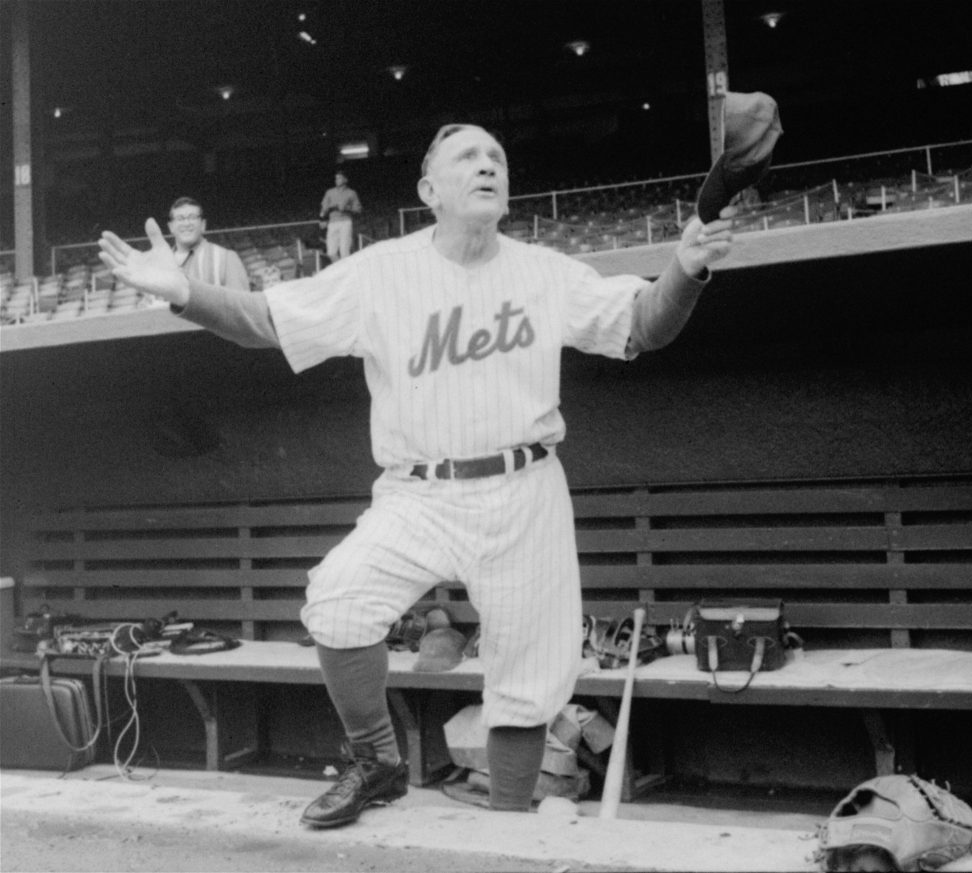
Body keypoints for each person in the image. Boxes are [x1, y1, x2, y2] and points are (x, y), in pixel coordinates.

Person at [99, 123, 736, 829]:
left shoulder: (545, 271)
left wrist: (686, 268)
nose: (488, 165)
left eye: (497, 157)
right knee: (338, 601)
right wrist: (184, 292)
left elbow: (642, 325)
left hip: (524, 486)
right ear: (429, 190)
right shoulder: (380, 271)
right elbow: (267, 319)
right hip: (418, 489)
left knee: (526, 680)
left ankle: (506, 828)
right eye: (468, 157)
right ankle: (377, 761)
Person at [167, 197, 251, 291]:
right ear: (171, 227)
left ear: (203, 225)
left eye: (192, 217)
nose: (186, 223)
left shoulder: (226, 259)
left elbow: (240, 299)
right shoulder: (161, 263)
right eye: (180, 219)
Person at [319, 171, 362, 262]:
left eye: (339, 178)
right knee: (331, 252)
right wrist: (322, 219)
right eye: (336, 178)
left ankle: (345, 268)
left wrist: (346, 208)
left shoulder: (351, 193)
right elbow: (323, 208)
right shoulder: (329, 192)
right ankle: (341, 267)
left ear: (345, 180)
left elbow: (358, 209)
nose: (337, 180)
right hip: (332, 222)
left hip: (345, 222)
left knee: (344, 251)